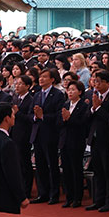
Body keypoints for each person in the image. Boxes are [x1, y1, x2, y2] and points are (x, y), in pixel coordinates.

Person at [86, 70, 109, 212]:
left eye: (99, 81)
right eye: (95, 81)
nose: (96, 84)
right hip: (94, 138)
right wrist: (93, 109)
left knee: (108, 171)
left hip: (107, 139)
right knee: (98, 171)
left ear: (107, 83)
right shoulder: (92, 96)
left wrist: (99, 108)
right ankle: (98, 200)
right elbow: (87, 117)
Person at [31, 68, 66, 204]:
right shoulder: (37, 95)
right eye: (40, 76)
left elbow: (59, 115)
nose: (41, 79)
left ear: (52, 79)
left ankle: (54, 194)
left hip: (51, 133)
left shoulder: (58, 94)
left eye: (45, 77)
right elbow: (30, 113)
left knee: (52, 164)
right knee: (40, 165)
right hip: (37, 133)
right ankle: (42, 193)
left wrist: (43, 116)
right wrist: (35, 117)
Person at [58, 78, 90, 207]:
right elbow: (58, 122)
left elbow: (83, 124)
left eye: (73, 90)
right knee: (66, 170)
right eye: (68, 89)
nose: (70, 92)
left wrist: (69, 119)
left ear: (80, 92)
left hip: (76, 141)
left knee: (76, 169)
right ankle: (69, 197)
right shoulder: (65, 105)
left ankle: (77, 197)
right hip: (64, 141)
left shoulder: (83, 106)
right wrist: (64, 120)